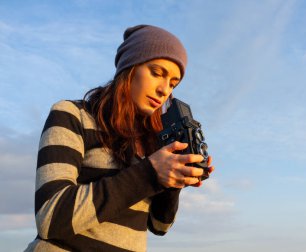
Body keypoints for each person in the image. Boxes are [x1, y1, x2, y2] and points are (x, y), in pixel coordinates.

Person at [25, 24, 214, 252]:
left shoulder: (153, 142)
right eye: (157, 73)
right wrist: (150, 173)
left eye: (173, 83)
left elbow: (160, 226)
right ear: (130, 68)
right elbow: (51, 217)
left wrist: (173, 180)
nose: (164, 90)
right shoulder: (72, 115)